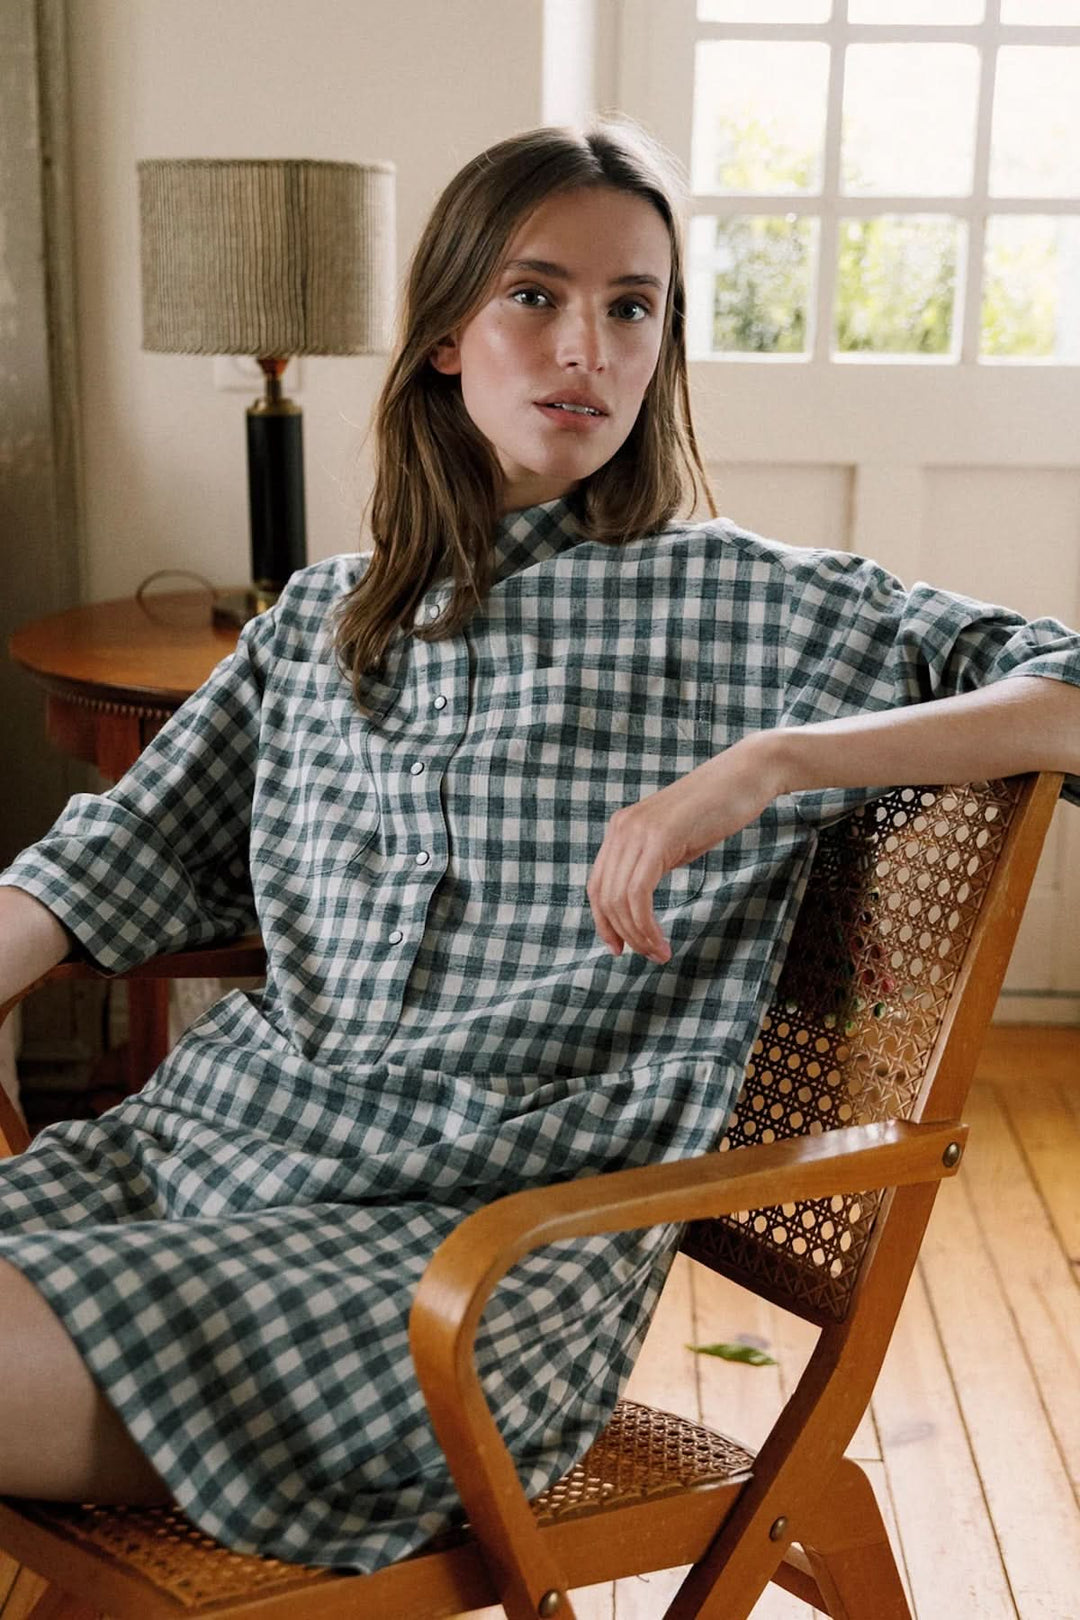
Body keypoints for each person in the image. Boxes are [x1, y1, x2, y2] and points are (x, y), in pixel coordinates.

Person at [0, 114, 1078, 1575]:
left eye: (633, 307)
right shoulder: (325, 619)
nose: (589, 347)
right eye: (535, 295)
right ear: (447, 335)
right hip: (197, 1163)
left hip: (461, 1269)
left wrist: (772, 763)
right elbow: (116, 855)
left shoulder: (754, 609)